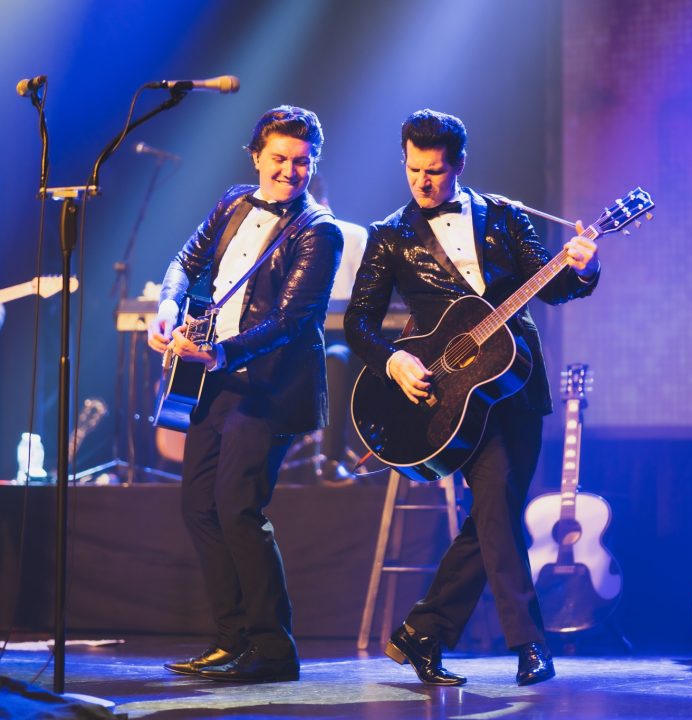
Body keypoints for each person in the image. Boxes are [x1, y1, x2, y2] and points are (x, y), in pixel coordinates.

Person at [344, 109, 600, 686]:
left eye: (434, 171)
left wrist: (584, 267)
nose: (422, 183)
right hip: (451, 396)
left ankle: (422, 631)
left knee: (495, 514)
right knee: (494, 507)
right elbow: (358, 324)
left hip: (518, 383)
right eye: (413, 170)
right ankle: (530, 645)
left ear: (459, 163)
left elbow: (552, 286)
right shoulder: (390, 236)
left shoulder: (505, 218)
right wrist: (394, 359)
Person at [147, 105, 343, 684]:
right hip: (215, 378)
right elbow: (184, 263)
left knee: (237, 507)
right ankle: (231, 638)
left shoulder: (320, 229)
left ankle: (273, 650)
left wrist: (222, 353)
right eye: (279, 159)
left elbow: (291, 321)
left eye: (301, 162)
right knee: (199, 507)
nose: (289, 172)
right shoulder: (233, 201)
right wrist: (166, 309)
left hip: (269, 388)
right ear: (256, 155)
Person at [308, 173, 367, 485]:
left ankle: (332, 458)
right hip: (288, 340)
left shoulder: (353, 237)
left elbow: (367, 299)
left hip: (337, 338)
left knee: (336, 358)